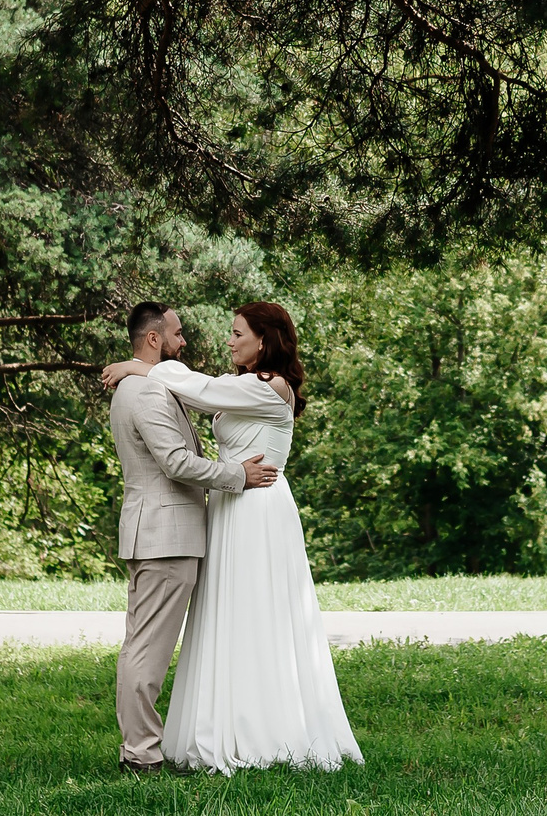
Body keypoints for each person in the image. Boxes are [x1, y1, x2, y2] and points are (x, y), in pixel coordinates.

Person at [101, 302, 362, 774]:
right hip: (227, 505)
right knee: (224, 619)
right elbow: (202, 394)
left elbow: (202, 388)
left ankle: (265, 730)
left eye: (237, 332)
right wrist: (143, 369)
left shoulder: (272, 387)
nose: (228, 340)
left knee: (259, 618)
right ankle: (215, 727)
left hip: (257, 508)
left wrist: (137, 366)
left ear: (264, 340)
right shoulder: (245, 386)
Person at [105, 300, 277, 774]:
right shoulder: (145, 392)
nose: (185, 343)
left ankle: (139, 749)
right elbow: (177, 462)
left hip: (158, 532)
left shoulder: (140, 385)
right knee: (148, 650)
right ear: (155, 339)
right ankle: (141, 756)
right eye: (178, 335)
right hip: (167, 535)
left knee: (142, 643)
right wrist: (237, 474)